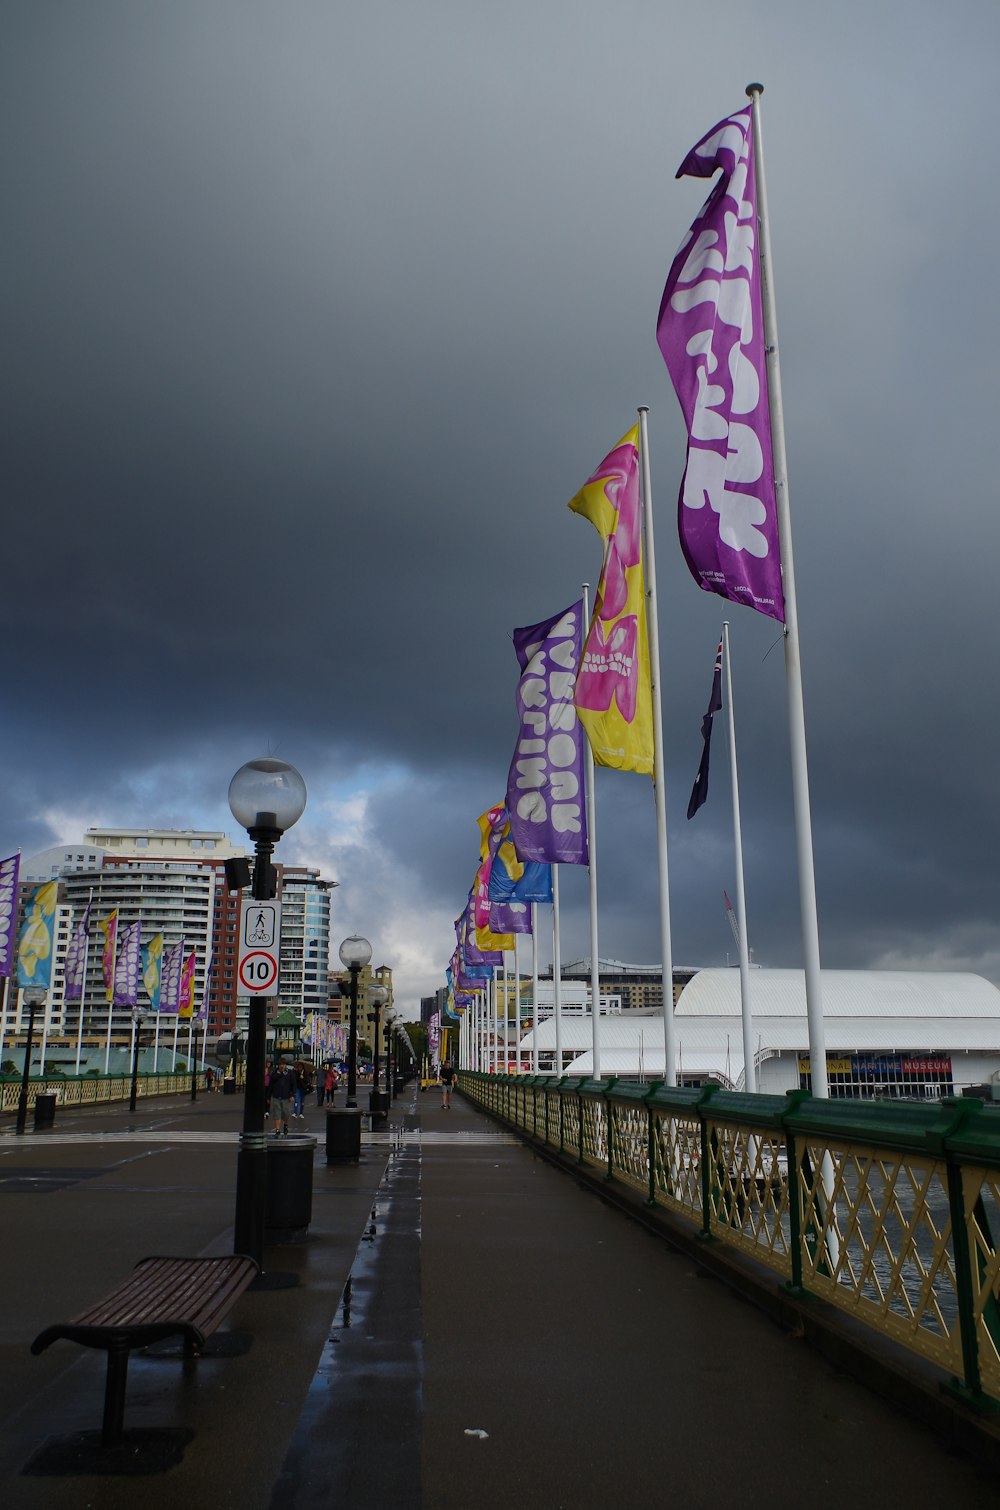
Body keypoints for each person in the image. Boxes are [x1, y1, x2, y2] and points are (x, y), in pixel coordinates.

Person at [270, 1060, 295, 1136]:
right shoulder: (274, 1073)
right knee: (277, 1113)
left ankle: (285, 1125)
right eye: (280, 1064)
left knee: (286, 1113)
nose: (281, 1066)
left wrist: (291, 1095)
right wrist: (268, 1096)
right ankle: (277, 1130)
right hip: (276, 1096)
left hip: (286, 1097)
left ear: (285, 1065)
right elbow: (271, 1085)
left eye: (283, 1064)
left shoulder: (290, 1073)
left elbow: (293, 1084)